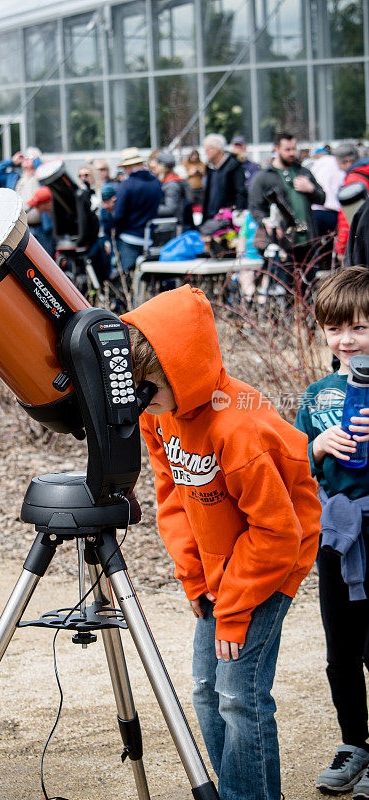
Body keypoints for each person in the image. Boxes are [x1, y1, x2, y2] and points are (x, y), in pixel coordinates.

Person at [121, 285, 321, 800]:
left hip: (269, 563)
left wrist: (231, 611)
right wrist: (194, 578)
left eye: (151, 385)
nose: (142, 398)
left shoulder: (237, 426)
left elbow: (278, 531)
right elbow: (172, 497)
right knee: (207, 693)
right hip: (220, 566)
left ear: (183, 369)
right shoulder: (159, 414)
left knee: (240, 695)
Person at [294, 266, 369, 799]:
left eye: (361, 328)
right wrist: (316, 448)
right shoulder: (318, 394)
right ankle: (353, 744)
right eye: (336, 328)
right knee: (340, 648)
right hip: (335, 537)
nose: (347, 339)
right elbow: (291, 459)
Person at [249, 131, 325, 288]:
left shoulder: (303, 172)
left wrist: (310, 189)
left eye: (294, 149)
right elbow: (256, 208)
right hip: (283, 242)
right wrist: (268, 223)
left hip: (308, 240)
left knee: (308, 287)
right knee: (286, 289)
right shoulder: (264, 177)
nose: (292, 153)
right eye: (287, 149)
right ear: (276, 149)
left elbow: (322, 198)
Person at [112, 146, 163, 274]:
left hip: (129, 237)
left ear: (128, 167)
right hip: (149, 238)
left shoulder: (127, 185)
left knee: (128, 277)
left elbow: (119, 215)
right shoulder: (156, 183)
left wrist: (115, 232)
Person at [201, 133, 247, 224]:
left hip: (226, 220)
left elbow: (240, 192)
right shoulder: (210, 168)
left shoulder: (233, 166)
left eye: (207, 149)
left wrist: (236, 214)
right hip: (210, 220)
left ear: (216, 149)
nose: (205, 153)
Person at [335, 143, 369, 261]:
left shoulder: (352, 181)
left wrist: (342, 248)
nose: (339, 168)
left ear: (347, 161)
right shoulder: (366, 172)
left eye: (339, 163)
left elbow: (347, 218)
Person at [153, 151, 190, 228]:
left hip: (170, 227)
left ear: (163, 166)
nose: (155, 166)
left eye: (157, 163)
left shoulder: (171, 185)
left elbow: (170, 208)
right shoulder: (167, 182)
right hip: (168, 225)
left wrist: (151, 208)